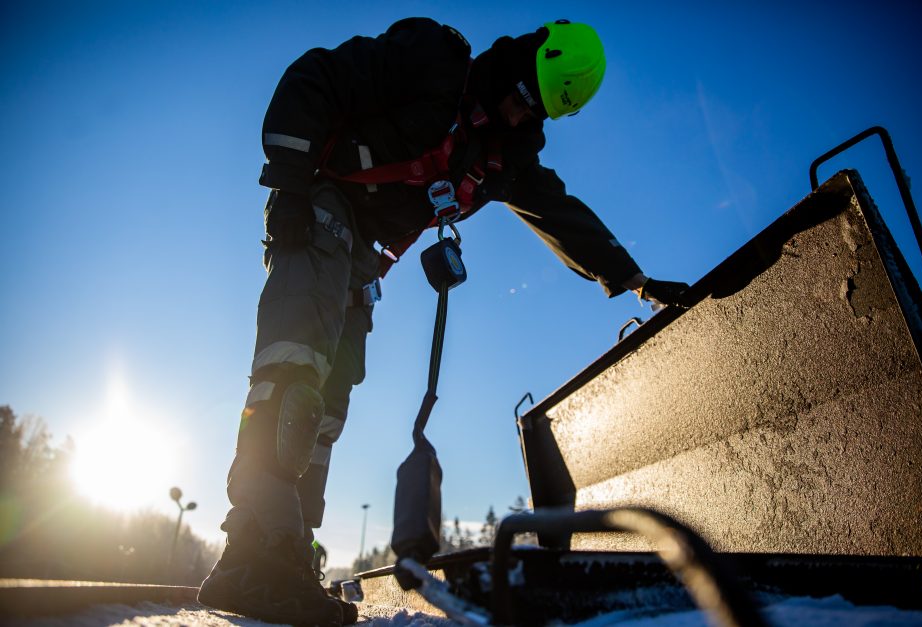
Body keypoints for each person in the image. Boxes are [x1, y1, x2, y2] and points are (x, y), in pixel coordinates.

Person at [197, 17, 689, 626]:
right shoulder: (433, 59)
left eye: (534, 112)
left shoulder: (504, 161)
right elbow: (316, 78)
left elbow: (564, 215)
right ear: (523, 61)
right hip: (319, 207)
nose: (517, 113)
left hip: (360, 263)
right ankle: (251, 554)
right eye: (522, 94)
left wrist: (635, 279)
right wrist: (290, 184)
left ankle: (288, 550)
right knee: (294, 369)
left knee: (325, 410)